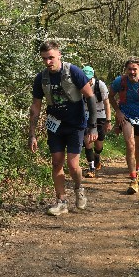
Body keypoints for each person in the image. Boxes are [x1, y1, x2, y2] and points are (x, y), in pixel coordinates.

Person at [29, 40, 98, 216]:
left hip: (75, 124)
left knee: (73, 165)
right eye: (44, 58)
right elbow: (35, 106)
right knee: (56, 162)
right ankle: (61, 202)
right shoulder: (41, 78)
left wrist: (93, 127)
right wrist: (32, 134)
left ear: (59, 55)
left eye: (51, 57)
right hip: (55, 126)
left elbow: (90, 97)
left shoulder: (73, 71)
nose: (48, 62)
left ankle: (79, 188)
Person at [108, 56, 139, 194]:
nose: (132, 72)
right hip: (126, 115)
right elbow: (110, 96)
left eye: (134, 69)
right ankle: (133, 178)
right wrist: (118, 112)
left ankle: (137, 170)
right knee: (130, 144)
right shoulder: (119, 81)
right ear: (126, 70)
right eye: (129, 69)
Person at [81, 66, 112, 177]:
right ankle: (91, 168)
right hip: (86, 115)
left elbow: (107, 104)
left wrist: (108, 120)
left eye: (89, 78)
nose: (87, 81)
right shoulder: (79, 85)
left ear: (92, 77)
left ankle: (97, 155)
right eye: (85, 78)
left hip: (100, 115)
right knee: (88, 141)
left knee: (98, 144)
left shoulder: (100, 85)